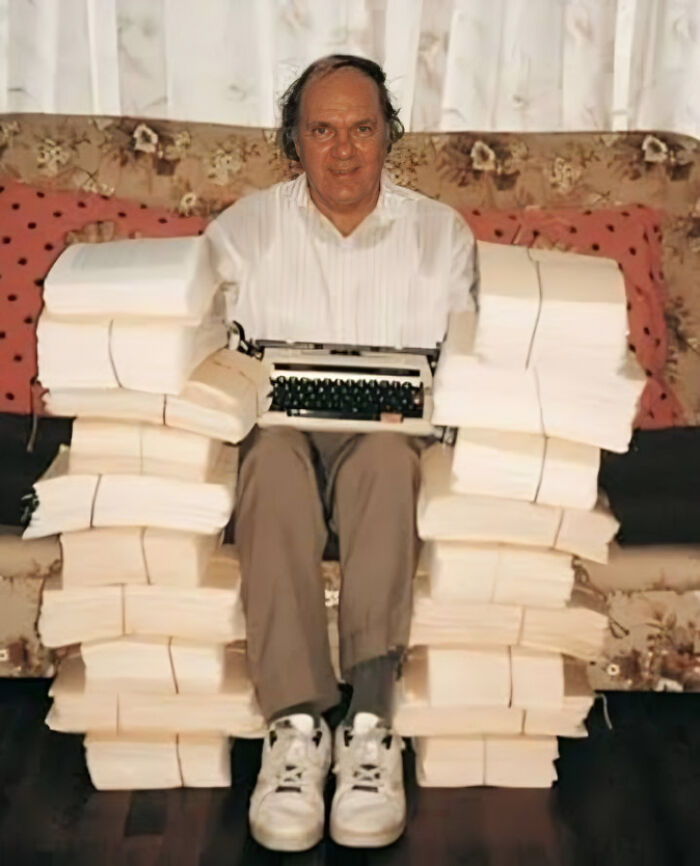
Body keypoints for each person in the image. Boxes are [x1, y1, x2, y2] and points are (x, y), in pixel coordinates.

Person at [205, 54, 476, 851]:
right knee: (274, 460)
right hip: (280, 418)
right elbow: (206, 346)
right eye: (323, 129)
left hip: (389, 426)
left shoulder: (440, 232)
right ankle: (293, 731)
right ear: (295, 139)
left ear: (390, 135)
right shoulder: (245, 229)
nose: (345, 150)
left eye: (363, 128)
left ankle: (368, 727)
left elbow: (459, 361)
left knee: (389, 463)